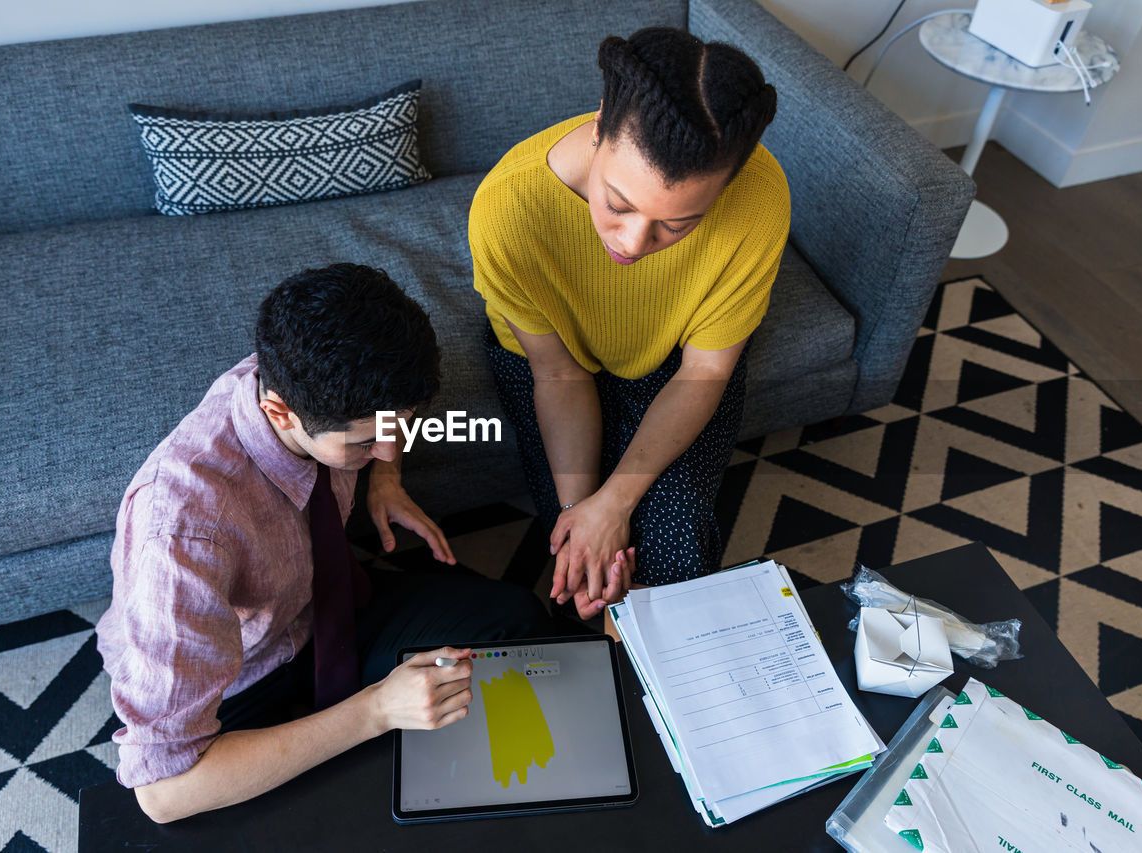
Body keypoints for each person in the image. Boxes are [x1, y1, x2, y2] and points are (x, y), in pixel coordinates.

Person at [95, 264, 551, 823]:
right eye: (364, 444)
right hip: (238, 675)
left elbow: (387, 425)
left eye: (400, 427)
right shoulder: (183, 533)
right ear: (280, 411)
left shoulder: (313, 381)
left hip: (323, 608)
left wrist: (385, 479)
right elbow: (163, 795)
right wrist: (376, 710)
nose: (389, 447)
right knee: (335, 816)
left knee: (516, 620)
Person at [469, 27, 787, 620]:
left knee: (677, 551)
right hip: (552, 363)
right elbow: (559, 376)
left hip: (678, 362)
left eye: (678, 224)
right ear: (598, 129)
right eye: (617, 204)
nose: (634, 243)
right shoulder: (507, 211)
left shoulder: (760, 199)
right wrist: (582, 518)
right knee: (582, 567)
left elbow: (706, 370)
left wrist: (616, 502)